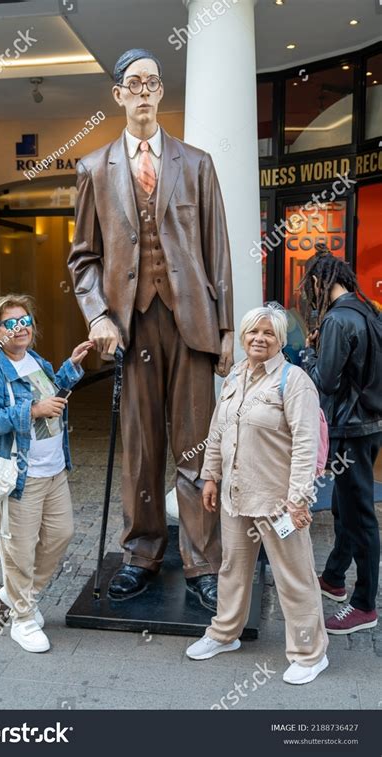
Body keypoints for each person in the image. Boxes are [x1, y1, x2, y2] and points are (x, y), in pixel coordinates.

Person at [68, 48, 234, 610]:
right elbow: (83, 259)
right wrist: (97, 315)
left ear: (162, 93)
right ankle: (141, 554)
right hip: (130, 325)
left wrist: (228, 328)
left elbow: (219, 252)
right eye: (133, 83)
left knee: (196, 448)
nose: (143, 91)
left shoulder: (197, 163)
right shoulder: (93, 168)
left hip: (192, 324)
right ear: (117, 95)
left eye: (152, 82)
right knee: (141, 449)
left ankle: (203, 562)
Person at [186, 305, 329, 685]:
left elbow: (304, 443)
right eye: (252, 332)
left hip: (278, 502)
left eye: (268, 333)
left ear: (281, 340)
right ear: (244, 337)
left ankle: (309, 653)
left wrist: (298, 499)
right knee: (232, 568)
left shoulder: (293, 381)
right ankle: (224, 633)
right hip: (236, 496)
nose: (259, 339)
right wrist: (210, 475)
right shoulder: (235, 375)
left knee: (294, 576)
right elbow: (218, 430)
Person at [0, 294, 93, 652]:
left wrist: (69, 367)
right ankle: (22, 619)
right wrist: (32, 410)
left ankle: (21, 594)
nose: (20, 328)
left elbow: (53, 396)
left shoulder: (34, 360)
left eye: (24, 321)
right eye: (10, 323)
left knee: (61, 534)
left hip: (53, 469)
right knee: (18, 550)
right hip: (20, 474)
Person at [300, 245, 382, 635]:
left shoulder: (337, 321)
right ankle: (334, 576)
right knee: (344, 505)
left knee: (359, 513)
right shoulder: (366, 310)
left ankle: (365, 604)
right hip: (368, 423)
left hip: (349, 428)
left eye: (311, 285)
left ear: (320, 281)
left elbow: (324, 382)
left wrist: (309, 354)